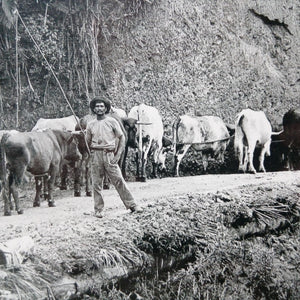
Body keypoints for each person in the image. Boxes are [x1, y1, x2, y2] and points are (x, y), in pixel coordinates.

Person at [86, 97, 142, 218]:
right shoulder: (90, 124)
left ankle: (132, 205)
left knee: (119, 181)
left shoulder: (112, 122)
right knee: (96, 184)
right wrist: (91, 153)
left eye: (102, 106)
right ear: (93, 109)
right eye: (97, 106)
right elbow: (87, 141)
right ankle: (98, 209)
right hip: (96, 155)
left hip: (109, 155)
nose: (99, 108)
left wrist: (118, 155)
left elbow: (122, 137)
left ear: (106, 108)